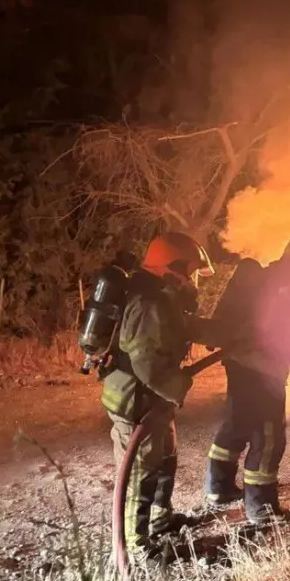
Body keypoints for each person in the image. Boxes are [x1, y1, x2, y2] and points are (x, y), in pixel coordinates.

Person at [203, 231, 290, 524]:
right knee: (269, 435)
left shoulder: (269, 278)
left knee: (237, 423)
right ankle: (261, 508)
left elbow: (272, 321)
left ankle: (219, 487)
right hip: (263, 369)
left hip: (239, 362)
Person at [100, 231, 215, 559]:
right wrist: (180, 384)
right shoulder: (148, 304)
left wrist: (227, 331)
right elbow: (147, 365)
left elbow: (185, 327)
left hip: (154, 401)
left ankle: (160, 522)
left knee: (165, 460)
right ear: (172, 269)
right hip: (136, 403)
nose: (193, 281)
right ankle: (137, 548)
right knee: (140, 473)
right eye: (190, 272)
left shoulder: (163, 299)